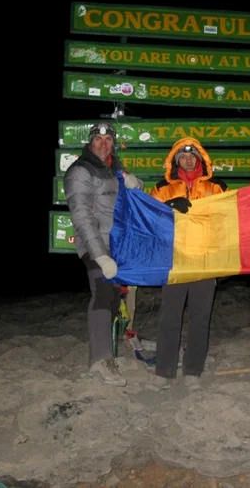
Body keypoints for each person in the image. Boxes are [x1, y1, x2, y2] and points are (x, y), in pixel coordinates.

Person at [63, 121, 144, 387]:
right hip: (97, 245)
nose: (103, 144)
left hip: (118, 244)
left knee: (112, 300)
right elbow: (82, 217)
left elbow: (130, 197)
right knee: (102, 293)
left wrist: (136, 183)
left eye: (108, 140)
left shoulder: (113, 168)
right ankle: (100, 360)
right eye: (98, 140)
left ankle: (106, 353)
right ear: (89, 142)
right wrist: (100, 255)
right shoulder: (80, 171)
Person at [147, 138, 228, 392]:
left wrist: (222, 261)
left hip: (205, 261)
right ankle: (164, 371)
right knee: (169, 316)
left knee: (200, 317)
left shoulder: (216, 187)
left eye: (193, 156)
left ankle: (193, 370)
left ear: (201, 159)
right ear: (175, 160)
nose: (188, 160)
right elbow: (149, 220)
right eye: (183, 156)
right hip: (175, 260)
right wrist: (168, 208)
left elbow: (226, 222)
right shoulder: (162, 188)